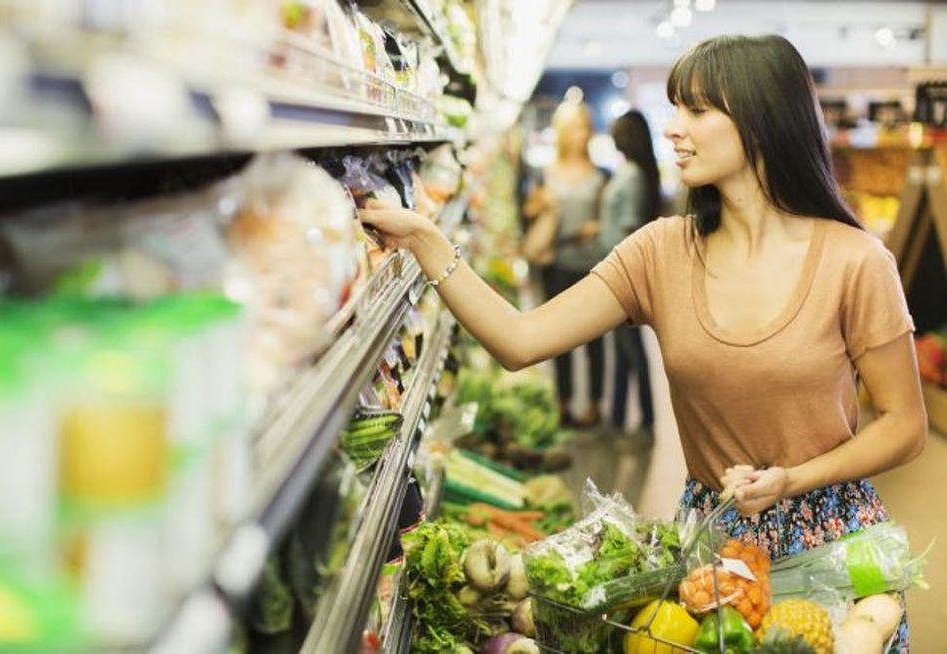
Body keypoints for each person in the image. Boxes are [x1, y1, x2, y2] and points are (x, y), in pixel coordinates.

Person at [361, 35, 926, 650]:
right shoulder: (660, 252)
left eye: (697, 110)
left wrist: (793, 478)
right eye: (674, 109)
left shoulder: (856, 261)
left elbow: (903, 424)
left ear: (763, 120)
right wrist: (425, 240)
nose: (674, 129)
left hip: (837, 557)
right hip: (714, 553)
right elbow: (519, 341)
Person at [523, 100, 609, 428]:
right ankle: (564, 402)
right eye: (574, 127)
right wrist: (540, 206)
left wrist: (598, 226)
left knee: (596, 340)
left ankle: (596, 405)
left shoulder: (601, 176)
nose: (580, 134)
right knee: (559, 339)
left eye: (585, 127)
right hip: (557, 263)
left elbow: (609, 218)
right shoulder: (546, 174)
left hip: (595, 267)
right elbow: (528, 212)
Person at [600, 110, 659, 442]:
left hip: (623, 277)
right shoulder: (630, 172)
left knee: (632, 352)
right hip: (616, 272)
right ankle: (618, 417)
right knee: (622, 353)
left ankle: (647, 423)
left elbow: (628, 226)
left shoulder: (633, 175)